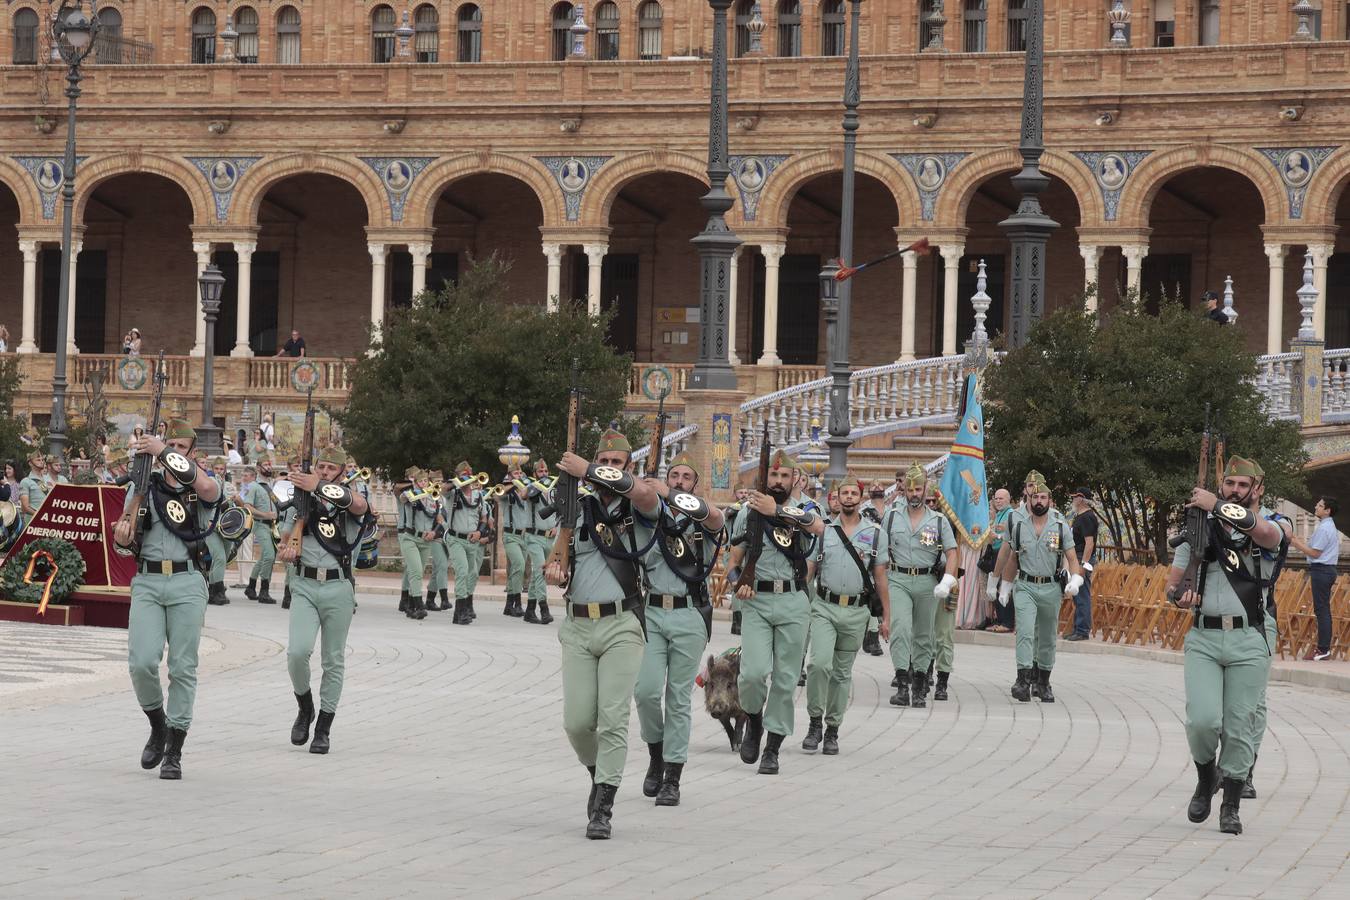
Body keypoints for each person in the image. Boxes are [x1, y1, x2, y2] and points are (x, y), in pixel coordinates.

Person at [543, 428, 661, 840]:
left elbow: (647, 496)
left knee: (613, 718)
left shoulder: (639, 506)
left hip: (621, 625)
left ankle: (604, 805)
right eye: (603, 462)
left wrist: (589, 468)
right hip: (577, 624)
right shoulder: (575, 509)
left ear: (628, 468)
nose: (609, 469)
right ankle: (598, 774)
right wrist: (555, 571)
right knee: (577, 722)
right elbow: (557, 563)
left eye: (616, 463)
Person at [1166, 456, 1285, 836]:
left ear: (1257, 489)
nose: (1235, 489)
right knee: (1202, 721)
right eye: (1229, 483)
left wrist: (1215, 505)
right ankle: (1206, 778)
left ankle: (1231, 804)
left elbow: (1265, 534)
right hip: (1204, 636)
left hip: (1249, 637)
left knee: (1239, 727)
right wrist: (1179, 594)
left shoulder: (1273, 524)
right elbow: (1174, 583)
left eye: (1242, 484)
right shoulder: (1200, 527)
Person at [112, 418, 222, 780]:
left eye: (180, 447)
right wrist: (123, 534)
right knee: (142, 661)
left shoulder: (201, 484)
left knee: (182, 667)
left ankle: (174, 747)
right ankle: (157, 723)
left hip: (187, 580)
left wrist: (161, 450)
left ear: (193, 452)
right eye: (168, 446)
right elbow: (122, 539)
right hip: (147, 579)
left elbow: (209, 490)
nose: (172, 452)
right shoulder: (144, 486)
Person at [725, 450, 824, 775]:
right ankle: (754, 721)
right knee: (752, 674)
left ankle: (773, 748)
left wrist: (778, 510)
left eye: (785, 476)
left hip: (794, 601)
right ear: (765, 477)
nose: (779, 481)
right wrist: (738, 582)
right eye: (774, 476)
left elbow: (819, 527)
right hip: (757, 603)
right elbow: (732, 562)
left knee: (785, 679)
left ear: (795, 479)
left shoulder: (803, 511)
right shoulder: (748, 513)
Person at [634, 451, 723, 806]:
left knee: (678, 698)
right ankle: (656, 753)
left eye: (687, 477)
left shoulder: (703, 519)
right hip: (653, 611)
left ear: (695, 485)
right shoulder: (650, 517)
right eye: (674, 476)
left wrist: (671, 496)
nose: (679, 480)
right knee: (645, 691)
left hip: (688, 614)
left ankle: (672, 775)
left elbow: (716, 519)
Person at [277, 445, 369, 754]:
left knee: (333, 660)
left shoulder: (347, 502)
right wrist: (286, 551)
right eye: (321, 467)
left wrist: (319, 486)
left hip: (338, 587)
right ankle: (305, 706)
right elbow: (284, 542)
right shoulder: (301, 503)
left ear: (343, 473)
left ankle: (324, 727)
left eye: (332, 469)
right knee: (297, 653)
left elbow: (359, 506)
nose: (325, 472)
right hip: (304, 584)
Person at [803, 473, 889, 755]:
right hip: (825, 607)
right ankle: (815, 721)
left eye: (854, 493)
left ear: (861, 498)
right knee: (818, 665)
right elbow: (810, 569)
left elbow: (880, 578)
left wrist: (886, 617)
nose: (849, 497)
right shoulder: (825, 531)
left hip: (856, 611)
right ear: (837, 498)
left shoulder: (875, 534)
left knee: (841, 674)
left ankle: (832, 729)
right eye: (845, 493)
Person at [992, 474, 1084, 703]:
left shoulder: (1060, 525)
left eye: (1043, 497)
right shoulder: (1019, 524)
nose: (1039, 501)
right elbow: (1012, 557)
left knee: (1047, 636)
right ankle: (1023, 680)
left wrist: (1075, 579)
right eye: (1035, 497)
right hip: (1025, 585)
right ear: (1029, 499)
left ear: (1050, 500)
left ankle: (1043, 682)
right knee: (1024, 631)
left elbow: (1072, 557)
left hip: (1051, 587)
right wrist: (1005, 584)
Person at [881, 464, 958, 708]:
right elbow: (880, 551)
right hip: (899, 579)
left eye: (918, 489)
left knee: (925, 636)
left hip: (928, 582)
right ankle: (902, 684)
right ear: (904, 490)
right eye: (910, 489)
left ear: (926, 489)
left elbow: (952, 552)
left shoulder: (939, 521)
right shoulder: (892, 516)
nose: (914, 494)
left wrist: (948, 579)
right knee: (901, 629)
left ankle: (920, 687)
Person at [1288, 497, 1338, 661]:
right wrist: (1297, 541)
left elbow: (1315, 553)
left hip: (1322, 570)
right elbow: (1313, 549)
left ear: (1327, 510)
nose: (1316, 506)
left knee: (1322, 610)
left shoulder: (1325, 529)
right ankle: (1323, 648)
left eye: (1320, 505)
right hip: (1324, 570)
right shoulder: (1326, 526)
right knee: (1322, 609)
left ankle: (1323, 649)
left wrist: (1295, 543)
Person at [446, 463, 484, 624]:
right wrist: (456, 481)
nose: (467, 476)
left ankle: (467, 605)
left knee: (473, 573)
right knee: (462, 571)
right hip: (456, 539)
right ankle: (459, 611)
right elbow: (442, 489)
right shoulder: (452, 493)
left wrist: (480, 532)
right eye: (464, 474)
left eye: (469, 473)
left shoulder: (478, 495)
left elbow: (483, 518)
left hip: (472, 540)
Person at [395, 468, 435, 620]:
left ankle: (411, 606)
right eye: (421, 481)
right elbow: (402, 497)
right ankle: (419, 605)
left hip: (425, 540)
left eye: (426, 481)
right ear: (416, 483)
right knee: (415, 571)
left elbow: (438, 516)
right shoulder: (409, 494)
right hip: (410, 537)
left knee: (419, 571)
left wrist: (434, 532)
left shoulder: (432, 497)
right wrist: (417, 492)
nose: (424, 483)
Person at [238, 464, 279, 604]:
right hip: (261, 524)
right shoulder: (253, 487)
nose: (243, 478)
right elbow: (248, 506)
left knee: (263, 557)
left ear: (253, 476)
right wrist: (266, 515)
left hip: (270, 525)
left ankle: (251, 586)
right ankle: (264, 590)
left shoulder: (267, 486)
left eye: (245, 475)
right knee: (269, 555)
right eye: (242, 476)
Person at [522, 458, 557, 624]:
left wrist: (557, 527)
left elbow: (559, 512)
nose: (544, 474)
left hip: (549, 537)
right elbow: (523, 495)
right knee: (541, 571)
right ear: (535, 474)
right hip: (534, 536)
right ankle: (544, 609)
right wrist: (534, 485)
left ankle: (529, 610)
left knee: (538, 574)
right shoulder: (532, 488)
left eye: (546, 471)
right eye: (540, 472)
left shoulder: (553, 490)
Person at [1067, 487, 1099, 641]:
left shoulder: (1087, 517)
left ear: (1080, 499)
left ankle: (1082, 630)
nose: (1073, 500)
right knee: (1077, 595)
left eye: (1074, 497)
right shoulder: (1080, 516)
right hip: (1077, 556)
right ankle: (1077, 628)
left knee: (1082, 593)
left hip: (1083, 558)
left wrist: (1084, 564)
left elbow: (1089, 543)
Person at [498, 470, 531, 618]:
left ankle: (508, 605)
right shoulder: (507, 491)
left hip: (523, 536)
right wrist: (512, 483)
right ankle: (517, 603)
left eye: (520, 473)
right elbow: (498, 494)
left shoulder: (525, 491)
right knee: (519, 565)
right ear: (510, 476)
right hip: (510, 535)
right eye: (515, 473)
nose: (519, 475)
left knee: (516, 570)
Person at [984, 488, 1015, 632]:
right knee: (996, 586)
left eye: (1001, 498)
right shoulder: (999, 514)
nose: (998, 501)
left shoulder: (1010, 514)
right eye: (996, 498)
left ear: (1008, 499)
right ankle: (1000, 620)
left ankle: (1007, 623)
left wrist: (995, 536)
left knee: (1004, 586)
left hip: (1005, 555)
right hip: (996, 552)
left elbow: (1011, 538)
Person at [723, 485, 749, 635]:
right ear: (735, 494)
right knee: (736, 585)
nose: (743, 495)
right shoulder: (733, 509)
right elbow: (726, 514)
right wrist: (741, 504)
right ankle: (737, 621)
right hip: (731, 553)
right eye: (741, 492)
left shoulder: (748, 510)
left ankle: (744, 619)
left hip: (744, 553)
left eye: (746, 492)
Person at [17, 451, 49, 523]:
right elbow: (25, 507)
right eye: (38, 460)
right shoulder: (25, 481)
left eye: (42, 460)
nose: (41, 462)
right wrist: (40, 515)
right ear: (30, 463)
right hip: (33, 521)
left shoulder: (48, 479)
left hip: (49, 520)